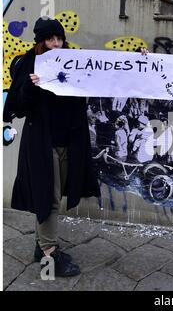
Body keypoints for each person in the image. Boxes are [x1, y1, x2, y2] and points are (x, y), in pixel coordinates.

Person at [3, 17, 101, 277]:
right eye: (50, 39)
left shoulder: (75, 62)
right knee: (49, 197)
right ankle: (49, 255)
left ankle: (40, 245)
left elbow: (107, 74)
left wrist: (141, 59)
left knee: (53, 196)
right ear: (41, 42)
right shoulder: (28, 64)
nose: (56, 43)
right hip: (42, 143)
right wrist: (30, 87)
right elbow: (19, 108)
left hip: (69, 141)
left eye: (58, 38)